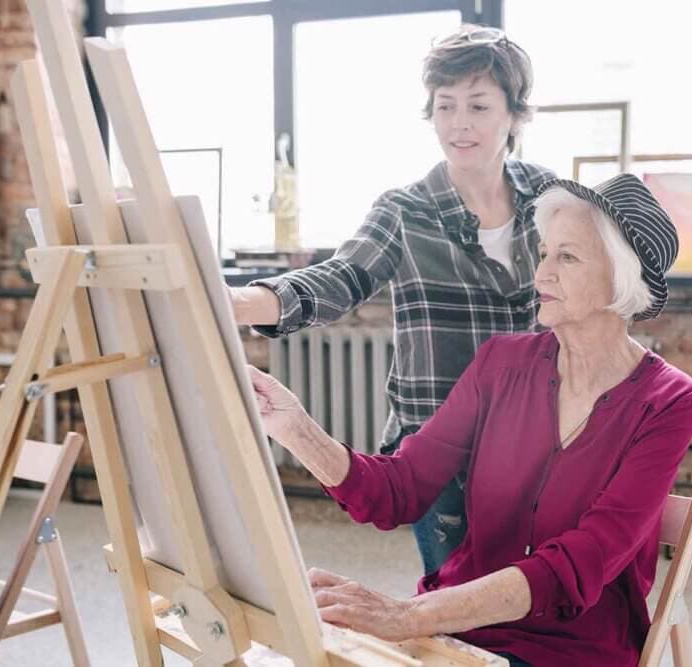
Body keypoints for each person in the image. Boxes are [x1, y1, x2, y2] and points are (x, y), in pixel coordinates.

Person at [249, 174, 692, 666]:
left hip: (567, 651)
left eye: (567, 257)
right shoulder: (500, 364)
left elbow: (583, 560)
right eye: (544, 253)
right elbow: (401, 488)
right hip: (456, 631)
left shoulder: (670, 401)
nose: (541, 275)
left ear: (621, 278)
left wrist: (407, 615)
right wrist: (294, 426)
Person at [229, 24, 555, 575]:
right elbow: (339, 280)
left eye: (478, 106)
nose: (459, 123)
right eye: (445, 106)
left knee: (533, 592)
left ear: (515, 115)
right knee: (455, 601)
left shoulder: (548, 196)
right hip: (440, 450)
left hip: (535, 439)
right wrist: (237, 302)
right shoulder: (405, 210)